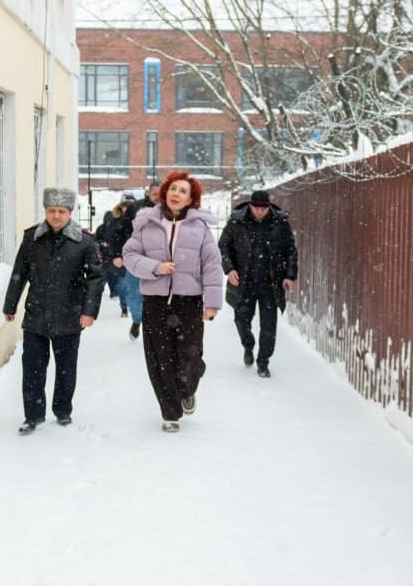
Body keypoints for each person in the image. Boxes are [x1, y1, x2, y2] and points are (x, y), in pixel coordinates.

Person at [122, 171, 223, 432]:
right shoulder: (146, 222)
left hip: (188, 301)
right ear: (165, 193)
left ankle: (187, 388)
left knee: (190, 357)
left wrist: (212, 302)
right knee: (159, 357)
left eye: (183, 191)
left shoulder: (199, 228)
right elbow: (130, 255)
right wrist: (155, 267)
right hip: (155, 300)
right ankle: (170, 412)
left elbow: (212, 264)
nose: (176, 194)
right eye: (173, 189)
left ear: (191, 199)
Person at [3, 187, 105, 434]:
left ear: (70, 212)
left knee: (66, 367)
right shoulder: (32, 239)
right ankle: (33, 415)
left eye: (61, 211)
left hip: (69, 315)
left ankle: (62, 410)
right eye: (51, 211)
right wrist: (10, 304)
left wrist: (89, 311)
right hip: (36, 314)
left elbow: (96, 278)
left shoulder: (84, 241)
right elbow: (20, 272)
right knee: (33, 367)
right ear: (45, 211)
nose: (56, 216)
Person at [218, 189, 298, 378]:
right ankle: (248, 345)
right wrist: (229, 269)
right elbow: (223, 246)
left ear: (269, 207)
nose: (260, 212)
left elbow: (291, 251)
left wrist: (290, 276)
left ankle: (263, 361)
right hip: (243, 282)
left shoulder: (280, 223)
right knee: (241, 320)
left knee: (269, 325)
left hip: (270, 283)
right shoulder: (237, 221)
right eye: (256, 208)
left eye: (264, 209)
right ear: (250, 206)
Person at [115, 182, 159, 339]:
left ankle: (154, 326)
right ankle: (137, 320)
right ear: (148, 193)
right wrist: (118, 254)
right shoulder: (136, 208)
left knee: (157, 294)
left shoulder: (170, 210)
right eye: (155, 195)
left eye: (161, 195)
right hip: (135, 257)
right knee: (134, 293)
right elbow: (120, 232)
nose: (158, 198)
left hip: (159, 260)